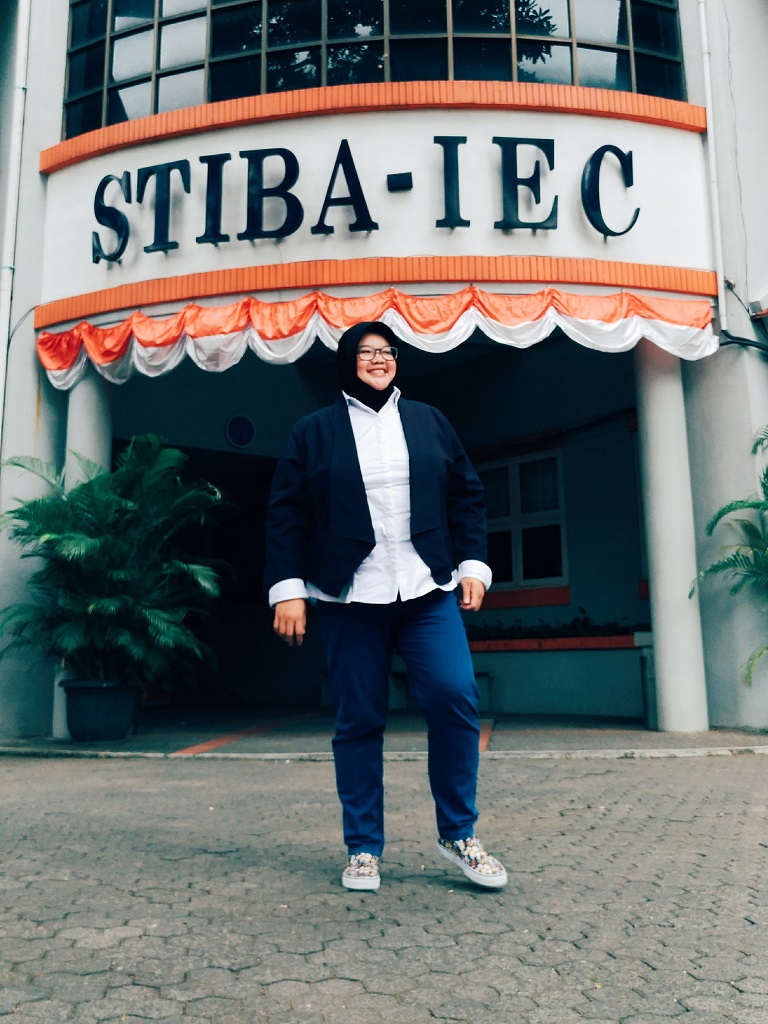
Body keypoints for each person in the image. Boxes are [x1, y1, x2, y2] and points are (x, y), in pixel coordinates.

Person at [264, 321, 507, 892]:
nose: (378, 359)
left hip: (426, 589)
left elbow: (467, 495)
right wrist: (288, 589)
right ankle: (363, 848)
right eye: (366, 351)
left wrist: (473, 565)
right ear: (346, 361)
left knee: (454, 697)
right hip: (348, 596)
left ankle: (459, 834)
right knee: (359, 718)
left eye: (387, 351)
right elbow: (287, 513)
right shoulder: (313, 431)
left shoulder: (429, 420)